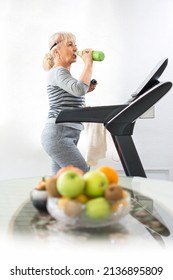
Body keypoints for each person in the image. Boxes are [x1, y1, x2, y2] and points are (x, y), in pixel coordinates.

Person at [41, 32, 97, 175]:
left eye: (75, 44)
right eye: (70, 44)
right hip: (60, 133)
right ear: (57, 51)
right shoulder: (59, 72)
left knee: (60, 182)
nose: (75, 48)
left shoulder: (61, 74)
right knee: (83, 174)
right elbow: (78, 89)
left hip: (62, 133)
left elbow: (73, 93)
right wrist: (89, 63)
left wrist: (86, 89)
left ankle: (53, 198)